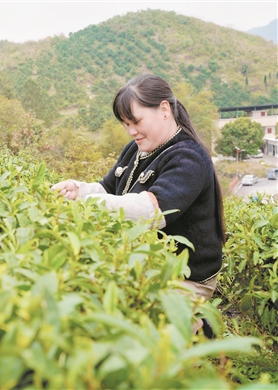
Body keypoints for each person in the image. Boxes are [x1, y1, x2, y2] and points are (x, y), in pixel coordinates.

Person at [51, 74, 225, 336]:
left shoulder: (189, 157)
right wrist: (79, 189)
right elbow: (109, 188)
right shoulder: (136, 148)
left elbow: (152, 211)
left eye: (136, 122)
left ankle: (199, 326)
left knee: (142, 338)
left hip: (184, 277)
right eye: (125, 124)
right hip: (146, 265)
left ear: (164, 110)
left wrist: (89, 201)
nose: (131, 131)